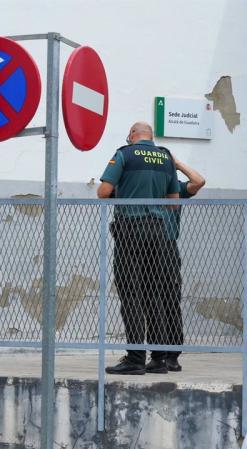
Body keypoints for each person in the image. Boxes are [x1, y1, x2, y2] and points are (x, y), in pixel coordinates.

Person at [98, 121, 182, 375]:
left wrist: (125, 193)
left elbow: (103, 192)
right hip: (158, 231)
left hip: (130, 229)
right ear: (151, 136)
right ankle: (158, 358)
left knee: (130, 293)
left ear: (133, 134)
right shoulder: (166, 157)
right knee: (153, 294)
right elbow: (174, 202)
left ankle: (135, 359)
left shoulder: (125, 154)